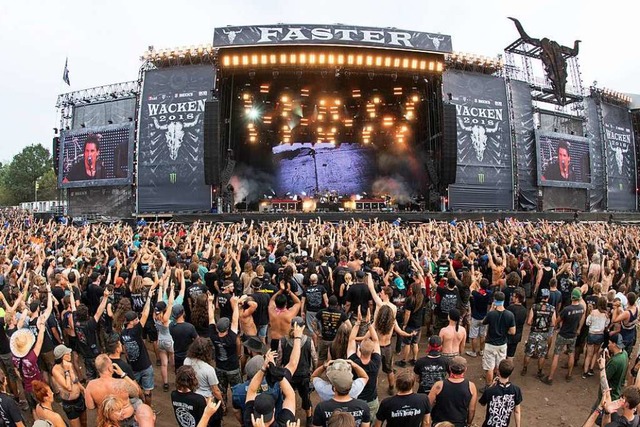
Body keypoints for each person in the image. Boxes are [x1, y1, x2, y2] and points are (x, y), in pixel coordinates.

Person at [84, 355, 155, 427]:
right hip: (127, 418)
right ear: (110, 368)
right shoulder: (121, 383)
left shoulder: (91, 386)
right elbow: (137, 392)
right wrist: (123, 374)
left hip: (109, 420)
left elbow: (90, 406)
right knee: (138, 403)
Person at [541, 287, 585, 385]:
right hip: (573, 335)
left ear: (572, 297)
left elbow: (557, 321)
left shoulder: (567, 309)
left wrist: (555, 326)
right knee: (571, 354)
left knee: (556, 354)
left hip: (563, 334)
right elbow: (581, 319)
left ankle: (550, 377)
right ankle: (569, 375)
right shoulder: (581, 309)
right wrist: (578, 329)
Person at [244, 350, 298, 427]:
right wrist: (277, 374)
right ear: (274, 410)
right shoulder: (285, 423)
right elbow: (290, 396)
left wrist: (263, 368)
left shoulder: (249, 421)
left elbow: (251, 390)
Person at [120, 290, 155, 405]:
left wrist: (129, 360)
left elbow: (124, 349)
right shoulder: (136, 331)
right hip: (144, 365)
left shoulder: (123, 333)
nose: (138, 321)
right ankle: (148, 410)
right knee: (147, 392)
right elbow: (145, 314)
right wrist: (149, 297)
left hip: (133, 367)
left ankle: (140, 409)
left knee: (136, 391)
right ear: (132, 321)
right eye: (136, 319)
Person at [208, 293, 241, 410]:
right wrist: (236, 304)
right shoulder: (231, 338)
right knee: (236, 389)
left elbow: (211, 318)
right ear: (227, 328)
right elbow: (235, 320)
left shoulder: (213, 335)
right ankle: (237, 406)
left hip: (220, 367)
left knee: (221, 389)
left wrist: (209, 302)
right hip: (233, 368)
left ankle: (223, 407)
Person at [278, 317, 314, 425]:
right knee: (306, 398)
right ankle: (309, 418)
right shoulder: (308, 341)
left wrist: (279, 373)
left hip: (289, 375)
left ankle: (288, 419)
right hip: (304, 375)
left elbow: (279, 358)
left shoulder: (283, 340)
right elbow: (314, 357)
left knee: (287, 397)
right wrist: (312, 371)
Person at [348, 310, 382, 419]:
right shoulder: (376, 362)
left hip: (356, 399)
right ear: (372, 352)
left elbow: (351, 340)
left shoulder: (353, 362)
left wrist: (358, 323)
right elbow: (376, 341)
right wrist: (369, 324)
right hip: (371, 401)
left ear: (359, 350)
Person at [10, 315, 46, 418]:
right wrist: (42, 326)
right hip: (38, 385)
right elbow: (39, 341)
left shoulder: (15, 358)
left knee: (33, 408)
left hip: (27, 387)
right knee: (44, 406)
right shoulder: (31, 357)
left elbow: (17, 371)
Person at [429, 356, 477, 427]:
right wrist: (469, 423)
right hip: (460, 423)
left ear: (449, 368)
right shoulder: (471, 386)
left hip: (440, 423)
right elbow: (472, 409)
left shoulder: (439, 385)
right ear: (465, 369)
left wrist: (427, 420)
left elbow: (428, 403)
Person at [482, 292, 516, 388]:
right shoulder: (510, 315)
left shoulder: (491, 314)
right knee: (500, 366)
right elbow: (513, 331)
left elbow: (484, 322)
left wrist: (492, 309)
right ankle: (498, 385)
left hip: (490, 344)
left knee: (489, 367)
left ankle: (488, 386)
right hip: (502, 344)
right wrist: (505, 332)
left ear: (495, 301)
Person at [521, 288, 556, 378]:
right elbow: (553, 323)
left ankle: (524, 369)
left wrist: (535, 323)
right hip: (544, 334)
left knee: (528, 352)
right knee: (542, 354)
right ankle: (539, 371)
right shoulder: (552, 308)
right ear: (548, 297)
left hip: (534, 332)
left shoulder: (534, 307)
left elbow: (529, 322)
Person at [50, 344, 87, 427]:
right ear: (62, 356)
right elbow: (68, 387)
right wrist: (67, 371)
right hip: (70, 404)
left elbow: (75, 380)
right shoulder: (55, 370)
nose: (70, 354)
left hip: (79, 399)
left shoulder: (69, 364)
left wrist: (83, 390)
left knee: (84, 423)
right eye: (67, 354)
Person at [478, 359, 522, 427]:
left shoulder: (490, 391)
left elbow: (482, 403)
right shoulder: (516, 390)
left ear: (498, 371)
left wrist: (491, 385)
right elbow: (517, 411)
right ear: (511, 372)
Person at [184, 337, 223, 402]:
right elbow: (215, 390)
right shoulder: (209, 369)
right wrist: (222, 403)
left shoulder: (187, 360)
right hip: (206, 399)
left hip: (191, 394)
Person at [314, 295, 348, 365]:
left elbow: (313, 323)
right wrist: (343, 334)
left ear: (328, 303)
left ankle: (318, 373)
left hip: (324, 338)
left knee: (321, 358)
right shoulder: (341, 313)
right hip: (336, 340)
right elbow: (349, 326)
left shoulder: (321, 312)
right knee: (336, 358)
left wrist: (317, 332)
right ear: (337, 304)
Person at [268, 285, 302, 351]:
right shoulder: (290, 314)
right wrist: (289, 291)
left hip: (275, 340)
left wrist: (281, 290)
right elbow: (298, 302)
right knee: (285, 360)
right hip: (286, 341)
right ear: (286, 303)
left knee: (274, 359)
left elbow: (272, 299)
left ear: (276, 303)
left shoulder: (271, 312)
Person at [467, 279, 492, 358]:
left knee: (474, 335)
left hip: (475, 317)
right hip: (484, 316)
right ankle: (481, 351)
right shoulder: (489, 293)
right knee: (482, 335)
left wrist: (475, 280)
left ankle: (473, 352)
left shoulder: (476, 294)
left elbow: (471, 287)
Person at [505, 288, 527, 361]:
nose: (512, 297)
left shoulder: (510, 308)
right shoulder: (524, 310)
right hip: (517, 335)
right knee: (511, 354)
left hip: (508, 334)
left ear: (517, 298)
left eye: (514, 296)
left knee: (504, 353)